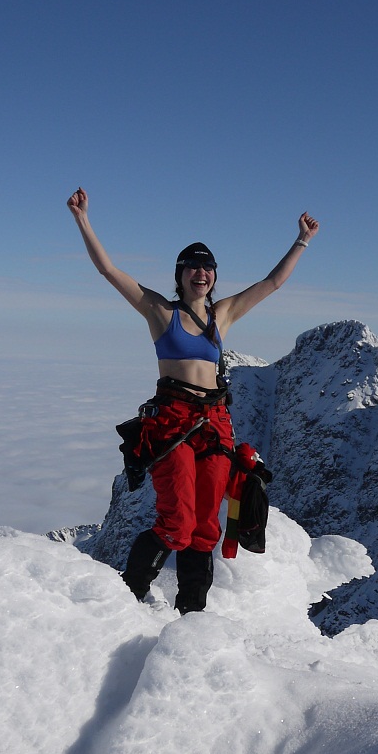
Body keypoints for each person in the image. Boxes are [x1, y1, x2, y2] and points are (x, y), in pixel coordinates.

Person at [67, 187, 320, 612]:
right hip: (173, 421)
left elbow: (272, 283)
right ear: (180, 275)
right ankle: (127, 600)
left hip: (217, 423)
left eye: (208, 268)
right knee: (177, 522)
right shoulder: (160, 312)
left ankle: (192, 615)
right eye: (193, 267)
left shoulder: (223, 314)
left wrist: (302, 240)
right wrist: (83, 219)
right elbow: (110, 270)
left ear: (214, 276)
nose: (201, 273)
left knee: (204, 527)